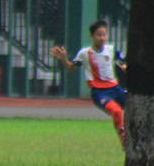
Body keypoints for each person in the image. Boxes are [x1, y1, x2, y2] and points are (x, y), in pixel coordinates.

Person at [50, 19, 127, 147]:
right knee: (117, 112)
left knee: (138, 104)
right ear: (91, 36)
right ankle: (124, 141)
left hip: (116, 89)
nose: (102, 38)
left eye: (104, 34)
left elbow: (123, 64)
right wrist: (63, 58)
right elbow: (70, 68)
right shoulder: (85, 53)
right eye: (99, 35)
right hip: (100, 93)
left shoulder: (111, 50)